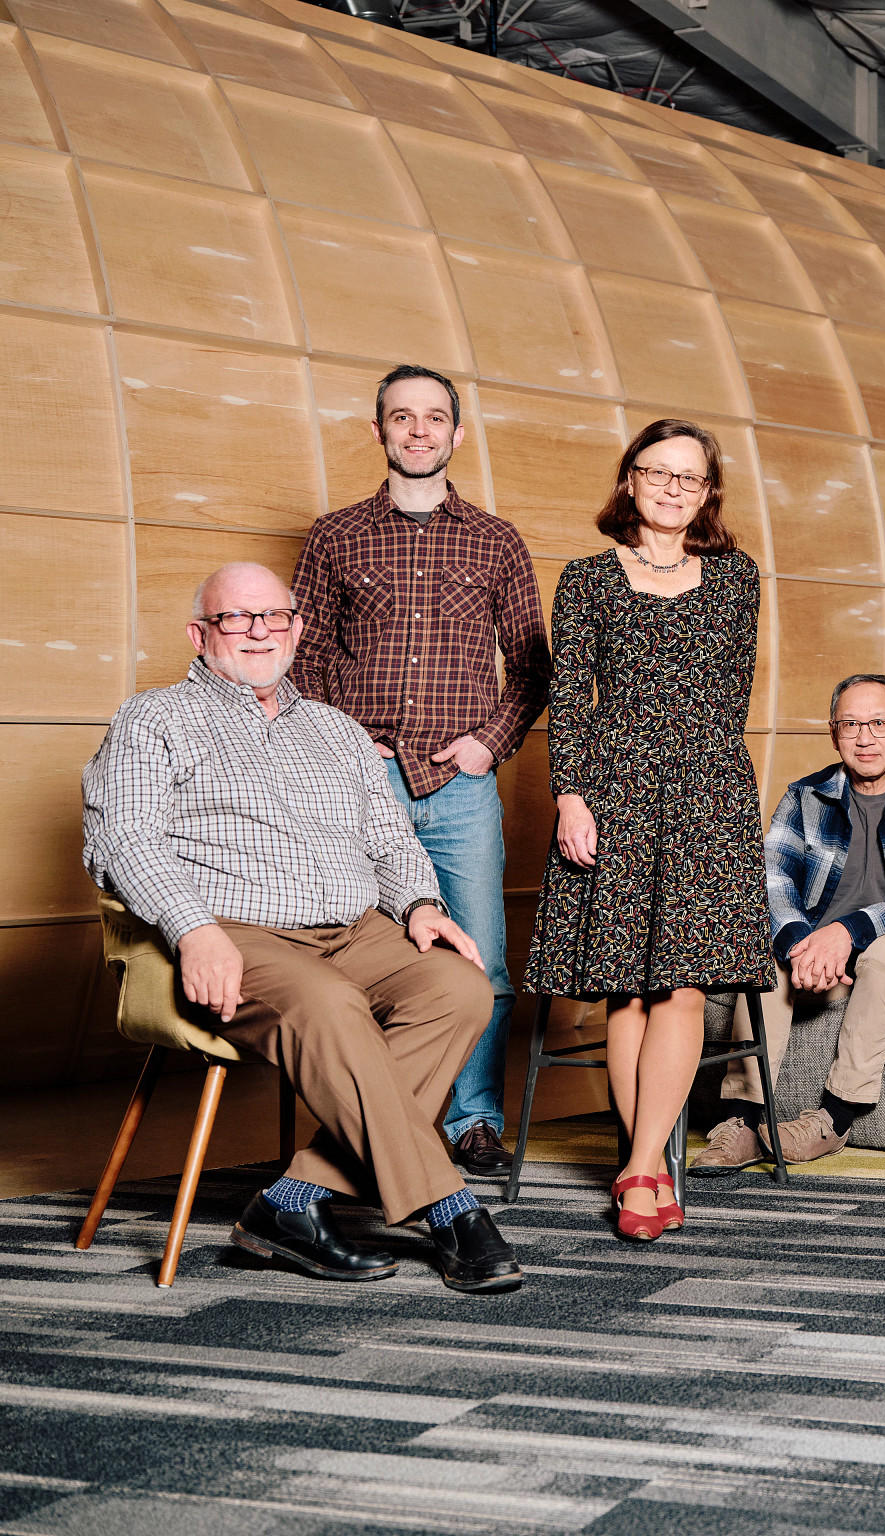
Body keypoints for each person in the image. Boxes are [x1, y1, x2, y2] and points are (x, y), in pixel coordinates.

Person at [82, 562, 523, 1292]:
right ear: (199, 634)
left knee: (460, 989)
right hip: (236, 933)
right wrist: (193, 929)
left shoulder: (335, 729)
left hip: (355, 929)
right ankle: (451, 1208)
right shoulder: (152, 719)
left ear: (295, 630)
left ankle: (292, 1201)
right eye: (237, 617)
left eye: (275, 617)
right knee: (330, 1004)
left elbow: (390, 840)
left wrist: (421, 905)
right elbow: (124, 838)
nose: (260, 632)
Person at [289, 364, 550, 1178]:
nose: (418, 430)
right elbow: (302, 653)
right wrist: (342, 740)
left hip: (461, 790)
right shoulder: (334, 536)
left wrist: (488, 744)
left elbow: (534, 665)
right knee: (357, 962)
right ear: (378, 431)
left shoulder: (497, 540)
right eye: (402, 417)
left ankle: (475, 1122)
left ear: (456, 434)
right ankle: (376, 1123)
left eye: (434, 417)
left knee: (481, 963)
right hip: (359, 788)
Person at [525, 419, 772, 1241]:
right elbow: (569, 696)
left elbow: (730, 692)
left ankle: (638, 1167)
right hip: (613, 788)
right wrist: (571, 797)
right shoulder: (587, 578)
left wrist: (710, 791)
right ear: (629, 479)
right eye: (657, 472)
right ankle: (649, 1167)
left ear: (708, 493)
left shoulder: (737, 577)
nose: (672, 488)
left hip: (706, 791)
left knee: (685, 982)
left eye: (689, 477)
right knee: (625, 987)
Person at [692, 674, 885, 1173]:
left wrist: (847, 932)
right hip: (826, 954)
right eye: (851, 724)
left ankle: (833, 1118)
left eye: (879, 723)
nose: (865, 737)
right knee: (765, 955)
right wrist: (799, 943)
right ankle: (742, 1121)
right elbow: (772, 880)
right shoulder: (803, 797)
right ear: (834, 733)